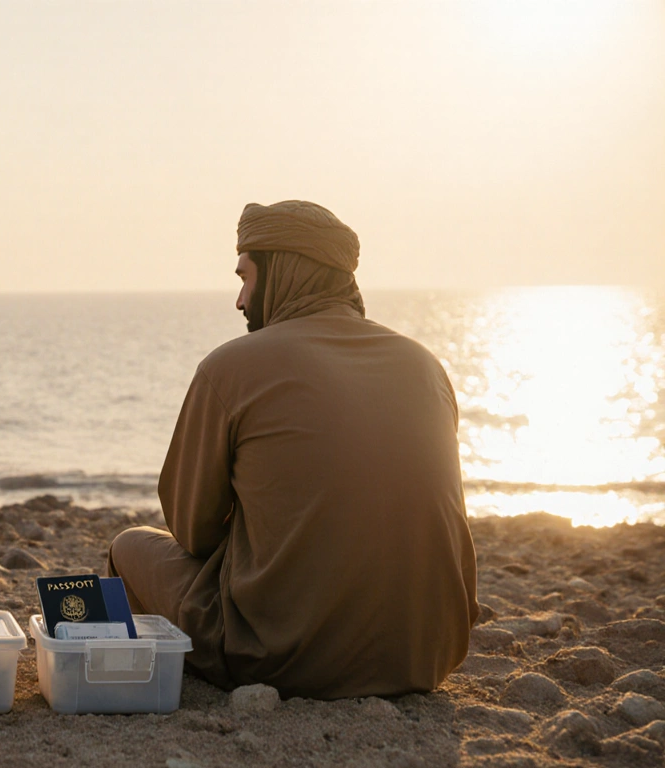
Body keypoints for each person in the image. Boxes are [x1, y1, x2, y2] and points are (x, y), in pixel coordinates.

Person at [107, 200, 478, 699]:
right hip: (425, 656)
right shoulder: (426, 366)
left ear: (282, 270)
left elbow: (192, 531)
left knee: (128, 546)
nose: (240, 300)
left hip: (284, 658)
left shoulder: (231, 367)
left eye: (245, 277)